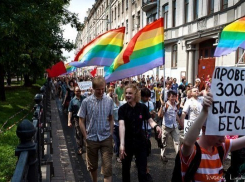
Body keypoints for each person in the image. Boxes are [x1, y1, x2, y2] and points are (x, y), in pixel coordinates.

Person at [180, 92, 245, 181]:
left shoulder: (220, 148)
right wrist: (205, 111)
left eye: (224, 134)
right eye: (218, 134)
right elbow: (187, 142)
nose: (223, 139)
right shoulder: (193, 152)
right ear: (204, 129)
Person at [119, 84, 162, 182]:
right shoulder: (122, 109)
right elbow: (122, 125)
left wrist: (156, 126)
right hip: (127, 143)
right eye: (126, 93)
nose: (127, 95)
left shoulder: (142, 107)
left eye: (130, 93)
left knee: (142, 172)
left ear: (135, 94)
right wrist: (121, 144)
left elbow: (150, 121)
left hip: (141, 142)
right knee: (125, 171)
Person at [78, 76, 114, 182]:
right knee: (92, 166)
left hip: (106, 137)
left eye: (103, 89)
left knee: (108, 168)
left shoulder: (109, 100)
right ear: (93, 88)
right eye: (98, 89)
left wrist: (111, 133)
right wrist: (86, 136)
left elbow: (111, 119)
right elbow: (81, 120)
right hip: (92, 138)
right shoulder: (86, 102)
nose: (101, 91)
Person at [158, 90, 181, 162]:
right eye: (172, 97)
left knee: (177, 142)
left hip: (174, 126)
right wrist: (162, 106)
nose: (173, 98)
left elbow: (176, 114)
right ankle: (162, 155)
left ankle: (178, 157)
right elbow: (159, 115)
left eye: (175, 96)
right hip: (166, 126)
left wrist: (180, 122)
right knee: (164, 142)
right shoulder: (165, 105)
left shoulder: (176, 104)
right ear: (168, 97)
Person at [68, 86, 85, 155]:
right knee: (78, 133)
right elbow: (70, 111)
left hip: (84, 118)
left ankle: (84, 145)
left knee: (84, 132)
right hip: (77, 119)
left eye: (79, 91)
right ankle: (79, 147)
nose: (78, 92)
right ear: (74, 92)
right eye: (77, 91)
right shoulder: (72, 101)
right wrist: (69, 121)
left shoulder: (84, 98)